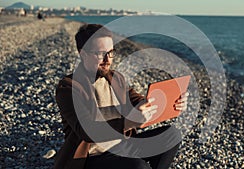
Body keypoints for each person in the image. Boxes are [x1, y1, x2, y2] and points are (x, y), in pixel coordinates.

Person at [54, 24, 188, 169]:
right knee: (137, 166)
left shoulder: (115, 78)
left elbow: (137, 99)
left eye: (111, 52)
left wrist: (171, 102)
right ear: (83, 54)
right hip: (92, 157)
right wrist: (128, 123)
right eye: (100, 53)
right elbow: (86, 130)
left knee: (171, 134)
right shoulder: (68, 88)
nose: (107, 60)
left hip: (122, 145)